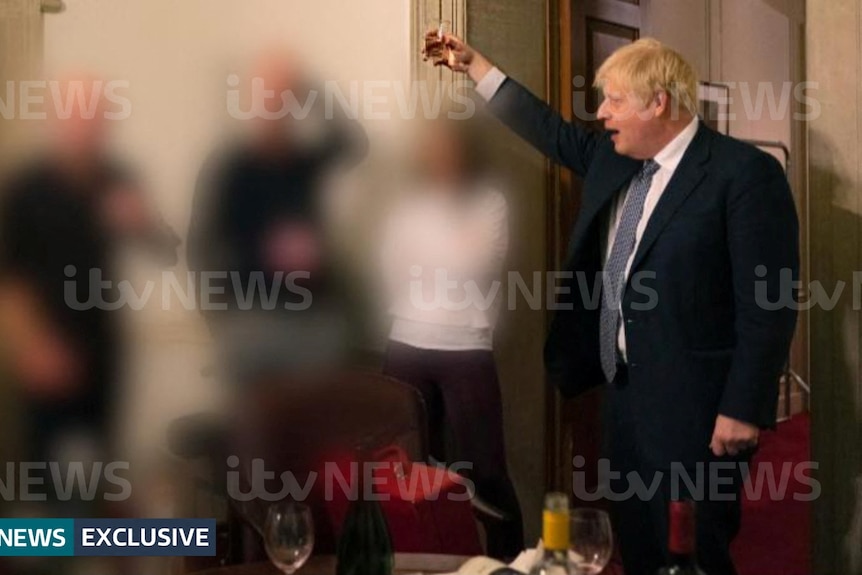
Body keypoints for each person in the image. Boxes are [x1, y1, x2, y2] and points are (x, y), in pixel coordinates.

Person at [426, 35, 799, 575]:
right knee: (636, 546)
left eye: (614, 101)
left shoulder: (743, 174)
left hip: (697, 410)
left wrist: (743, 406)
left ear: (659, 103)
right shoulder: (616, 159)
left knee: (693, 553)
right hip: (621, 398)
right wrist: (476, 66)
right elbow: (547, 130)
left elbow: (769, 303)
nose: (601, 115)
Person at [0, 76, 177, 477]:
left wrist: (142, 219)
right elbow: (9, 280)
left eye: (95, 116)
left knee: (98, 474)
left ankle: (96, 540)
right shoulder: (27, 188)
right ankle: (47, 542)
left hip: (104, 353)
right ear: (57, 120)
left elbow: (166, 249)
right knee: (51, 483)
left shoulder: (118, 177)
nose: (86, 126)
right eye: (77, 115)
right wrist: (32, 347)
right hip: (46, 356)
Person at [380, 116, 523, 560]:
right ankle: (422, 562)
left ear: (463, 152)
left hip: (467, 346)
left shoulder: (490, 203)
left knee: (486, 470)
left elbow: (476, 266)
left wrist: (428, 259)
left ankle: (506, 563)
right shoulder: (407, 206)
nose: (439, 156)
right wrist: (449, 253)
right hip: (405, 341)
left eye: (447, 146)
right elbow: (388, 266)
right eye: (431, 147)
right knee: (405, 470)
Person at [187, 52, 368, 380]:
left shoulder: (303, 162)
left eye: (285, 96)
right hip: (252, 323)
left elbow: (353, 141)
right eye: (268, 95)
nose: (276, 105)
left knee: (319, 424)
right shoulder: (230, 167)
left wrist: (310, 89)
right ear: (251, 100)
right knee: (258, 429)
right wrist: (220, 319)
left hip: (313, 322)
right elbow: (201, 246)